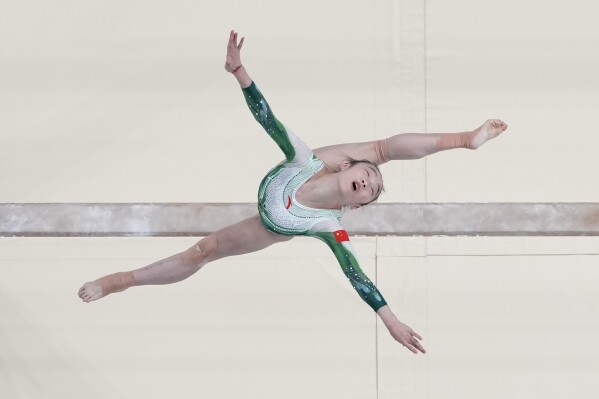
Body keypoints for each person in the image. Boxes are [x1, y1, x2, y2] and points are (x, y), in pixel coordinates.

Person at [78, 30, 508, 355]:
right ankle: (464, 140)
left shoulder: (327, 224)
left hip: (276, 224)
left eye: (370, 192)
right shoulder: (308, 158)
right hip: (308, 172)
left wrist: (390, 321)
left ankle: (124, 280)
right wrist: (239, 71)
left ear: (354, 204)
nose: (369, 183)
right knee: (381, 149)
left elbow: (355, 274)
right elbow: (268, 119)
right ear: (348, 169)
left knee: (204, 251)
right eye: (368, 177)